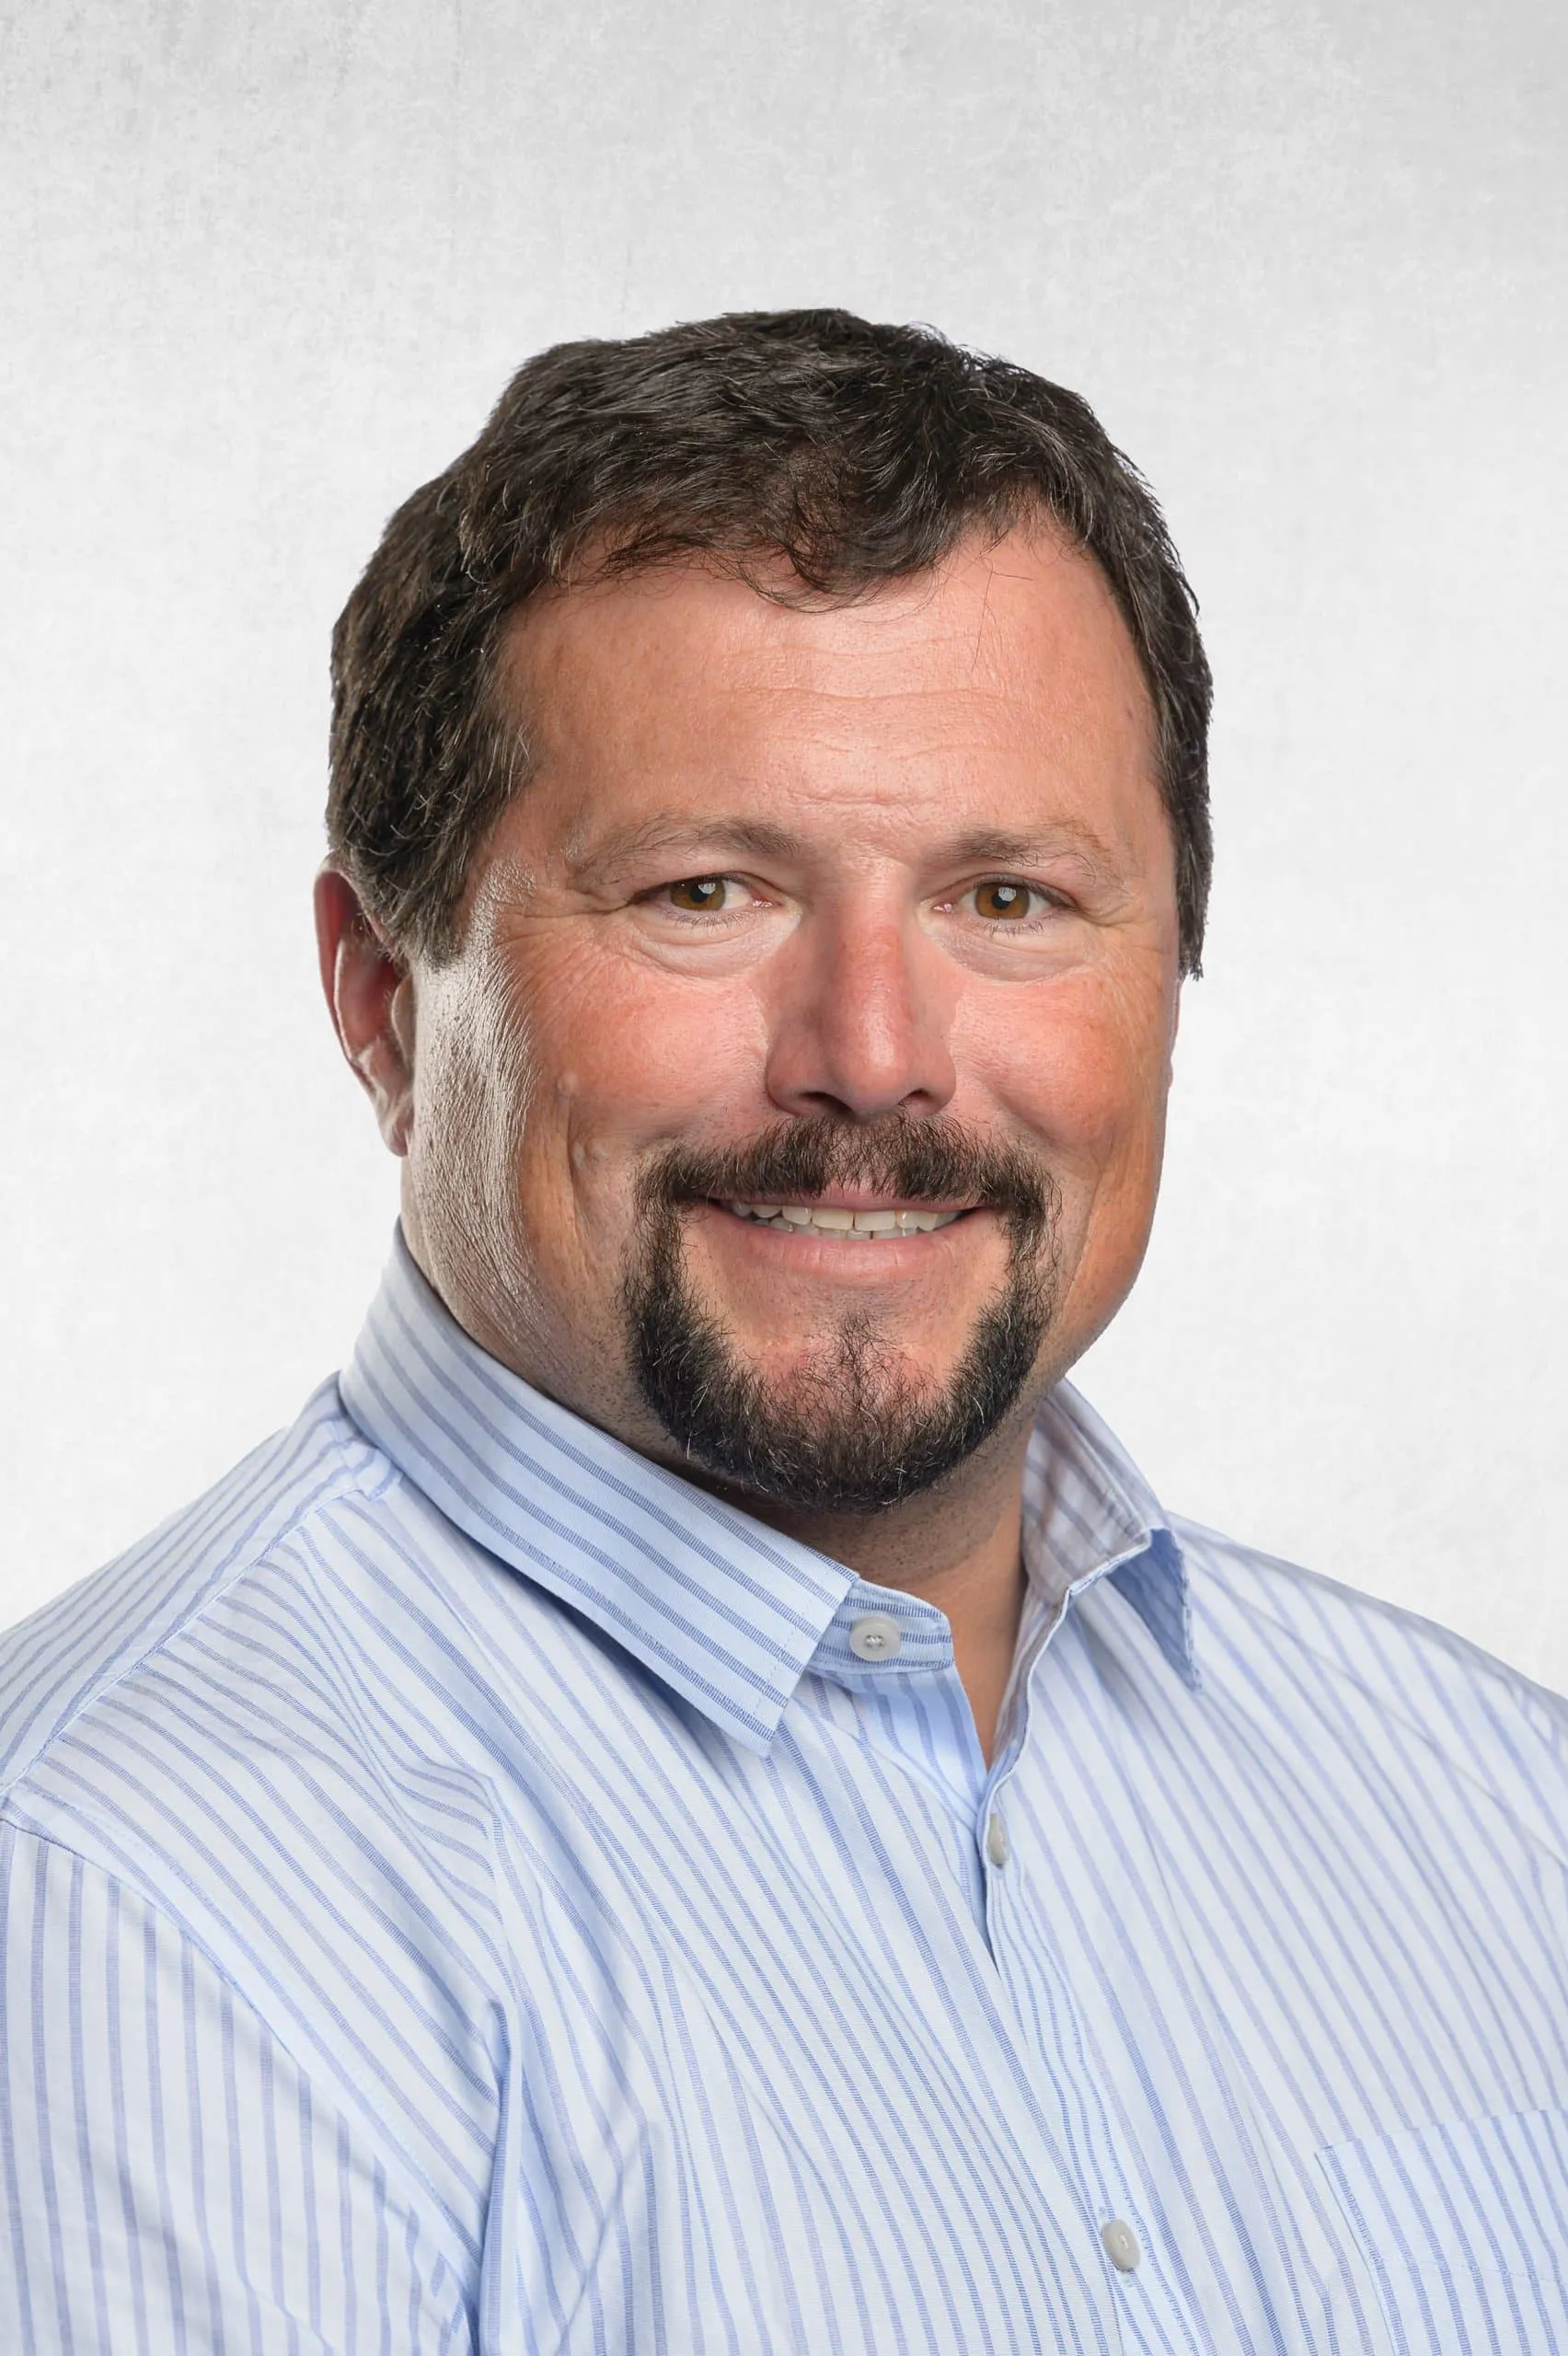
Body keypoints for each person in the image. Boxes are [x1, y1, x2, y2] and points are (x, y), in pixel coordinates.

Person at [3, 309, 1564, 2356]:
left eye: (1008, 899)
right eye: (706, 891)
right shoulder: (128, 1897)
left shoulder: (1498, 1810)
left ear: (1175, 968)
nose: (874, 1055)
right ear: (384, 998)